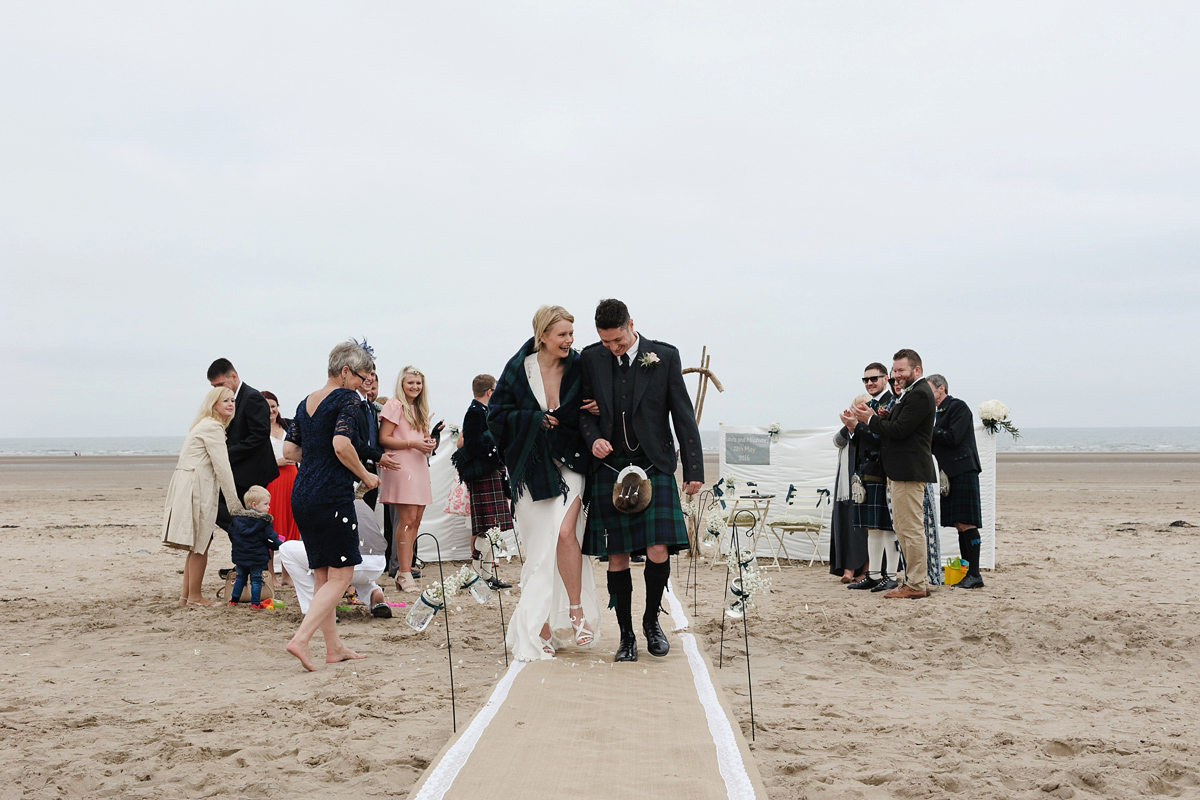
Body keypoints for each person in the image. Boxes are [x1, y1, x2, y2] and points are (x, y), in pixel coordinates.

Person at [578, 299, 704, 662]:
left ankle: (651, 621)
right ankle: (626, 636)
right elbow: (582, 413)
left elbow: (682, 413)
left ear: (631, 324)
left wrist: (693, 469)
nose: (613, 348)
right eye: (606, 342)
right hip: (610, 468)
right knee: (615, 555)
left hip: (653, 463)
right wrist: (592, 438)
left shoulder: (663, 356)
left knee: (657, 549)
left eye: (618, 341)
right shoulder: (591, 358)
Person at [488, 305, 599, 660]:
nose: (569, 340)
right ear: (543, 336)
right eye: (562, 334)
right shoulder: (519, 368)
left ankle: (576, 612)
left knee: (566, 532)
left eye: (571, 333)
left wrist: (599, 407)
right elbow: (497, 416)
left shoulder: (580, 364)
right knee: (540, 549)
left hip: (572, 461)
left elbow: (600, 400)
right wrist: (534, 419)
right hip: (531, 467)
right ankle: (541, 625)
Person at [282, 340, 382, 671]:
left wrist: (317, 457)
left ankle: (333, 647)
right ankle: (300, 639)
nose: (363, 384)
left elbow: (290, 452)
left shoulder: (304, 402)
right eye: (361, 377)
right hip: (331, 495)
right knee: (342, 576)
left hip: (303, 494)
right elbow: (341, 445)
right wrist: (365, 475)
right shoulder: (347, 399)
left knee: (324, 574)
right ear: (344, 371)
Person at [853, 349, 937, 599]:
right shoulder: (912, 394)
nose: (896, 375)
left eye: (901, 370)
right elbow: (902, 425)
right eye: (895, 371)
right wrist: (886, 417)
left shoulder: (920, 393)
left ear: (917, 370)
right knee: (903, 528)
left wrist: (870, 420)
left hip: (908, 471)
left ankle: (916, 583)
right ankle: (915, 580)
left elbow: (901, 431)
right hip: (902, 470)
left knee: (909, 529)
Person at [161, 386, 243, 606]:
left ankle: (185, 597)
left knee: (197, 544)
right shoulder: (213, 427)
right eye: (225, 400)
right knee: (200, 543)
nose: (230, 404)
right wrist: (235, 504)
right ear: (213, 403)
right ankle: (195, 596)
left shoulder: (203, 425)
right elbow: (222, 467)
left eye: (233, 400)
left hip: (187, 483)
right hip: (196, 486)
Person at [838, 363, 900, 592]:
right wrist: (852, 428)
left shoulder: (892, 402)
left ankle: (891, 575)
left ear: (886, 379)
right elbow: (862, 440)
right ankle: (873, 575)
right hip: (866, 472)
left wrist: (857, 425)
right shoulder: (871, 404)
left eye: (874, 378)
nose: (869, 383)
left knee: (887, 527)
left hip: (885, 471)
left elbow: (881, 436)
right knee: (872, 528)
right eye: (865, 380)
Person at [279, 497, 395, 618]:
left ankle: (314, 606)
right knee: (356, 562)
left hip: (345, 562)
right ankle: (373, 592)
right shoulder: (361, 502)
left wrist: (308, 583)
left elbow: (312, 548)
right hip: (376, 565)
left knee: (286, 549)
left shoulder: (320, 501)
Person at [453, 374, 514, 591]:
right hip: (483, 474)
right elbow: (471, 444)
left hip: (492, 472)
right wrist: (494, 451)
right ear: (490, 392)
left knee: (492, 529)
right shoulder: (474, 412)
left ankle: (486, 577)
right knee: (485, 531)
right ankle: (476, 578)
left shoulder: (484, 411)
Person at [379, 367, 435, 593]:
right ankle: (403, 572)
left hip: (419, 464)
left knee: (417, 519)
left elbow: (421, 437)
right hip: (402, 465)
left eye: (418, 383)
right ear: (402, 384)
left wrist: (429, 443)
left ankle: (407, 569)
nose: (414, 387)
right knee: (407, 519)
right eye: (410, 383)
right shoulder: (394, 405)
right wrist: (413, 444)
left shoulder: (420, 408)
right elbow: (385, 438)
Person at [207, 359, 279, 534]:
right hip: (235, 471)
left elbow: (259, 435)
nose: (217, 389)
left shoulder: (252, 397)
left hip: (251, 473)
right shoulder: (225, 401)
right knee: (214, 505)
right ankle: (244, 540)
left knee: (220, 507)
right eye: (213, 386)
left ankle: (246, 536)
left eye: (220, 384)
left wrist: (225, 455)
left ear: (233, 376)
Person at [928, 374, 985, 589]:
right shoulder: (935, 413)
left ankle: (975, 574)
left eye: (929, 389)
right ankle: (967, 572)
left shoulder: (958, 407)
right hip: (949, 472)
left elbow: (953, 437)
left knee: (967, 522)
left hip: (963, 469)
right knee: (959, 524)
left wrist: (926, 429)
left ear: (941, 388)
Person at [831, 393, 870, 584]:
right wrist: (848, 426)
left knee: (865, 529)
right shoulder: (847, 428)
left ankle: (866, 569)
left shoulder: (871, 427)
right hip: (845, 485)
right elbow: (837, 441)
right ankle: (848, 568)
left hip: (866, 480)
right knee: (846, 525)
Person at [262, 390, 300, 586]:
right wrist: (276, 462)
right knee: (273, 525)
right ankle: (271, 575)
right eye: (267, 406)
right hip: (273, 480)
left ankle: (287, 575)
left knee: (291, 526)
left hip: (292, 478)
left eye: (273, 405)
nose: (271, 410)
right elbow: (255, 460)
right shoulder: (258, 430)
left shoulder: (289, 425)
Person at [226, 486, 282, 609]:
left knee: (240, 578)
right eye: (266, 504)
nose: (268, 507)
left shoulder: (237, 520)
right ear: (254, 505)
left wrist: (238, 545)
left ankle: (234, 600)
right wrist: (280, 545)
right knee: (256, 579)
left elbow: (231, 534)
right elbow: (269, 538)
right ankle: (255, 603)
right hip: (257, 556)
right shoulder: (264, 522)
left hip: (240, 555)